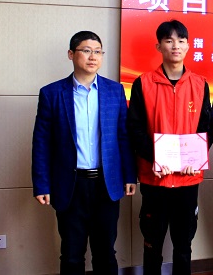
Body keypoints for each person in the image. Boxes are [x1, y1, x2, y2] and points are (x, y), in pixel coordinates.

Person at [31, 31, 137, 275]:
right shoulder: (52, 93)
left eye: (98, 51)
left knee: (105, 253)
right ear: (71, 54)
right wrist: (41, 184)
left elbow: (123, 136)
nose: (93, 57)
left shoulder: (114, 91)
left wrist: (129, 175)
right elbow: (42, 142)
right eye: (86, 51)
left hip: (106, 184)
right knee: (71, 254)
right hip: (70, 184)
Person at [127, 20, 213, 275]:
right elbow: (134, 128)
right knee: (152, 243)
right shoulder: (143, 83)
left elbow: (206, 129)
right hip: (155, 178)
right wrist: (155, 158)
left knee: (183, 244)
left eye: (181, 40)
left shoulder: (200, 84)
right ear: (159, 46)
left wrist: (195, 160)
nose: (176, 45)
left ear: (188, 46)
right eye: (169, 40)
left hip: (188, 178)